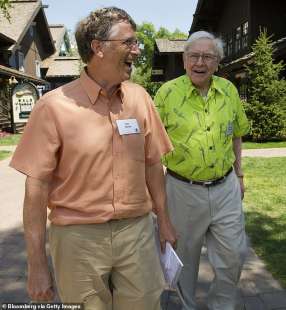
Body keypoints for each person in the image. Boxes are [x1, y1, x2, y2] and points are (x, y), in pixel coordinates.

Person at [10, 7, 176, 310]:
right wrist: (36, 264)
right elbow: (35, 191)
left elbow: (153, 164)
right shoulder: (52, 108)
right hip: (77, 238)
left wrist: (164, 222)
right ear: (98, 47)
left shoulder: (140, 99)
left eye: (136, 43)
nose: (137, 50)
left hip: (136, 231)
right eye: (128, 42)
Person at [154, 31, 250, 310]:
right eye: (194, 56)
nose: (200, 62)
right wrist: (156, 200)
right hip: (182, 189)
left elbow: (237, 134)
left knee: (234, 254)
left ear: (217, 62)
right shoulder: (166, 94)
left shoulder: (229, 90)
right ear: (184, 60)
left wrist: (240, 173)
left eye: (207, 57)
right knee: (184, 259)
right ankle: (187, 306)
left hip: (226, 187)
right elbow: (150, 149)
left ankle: (222, 305)